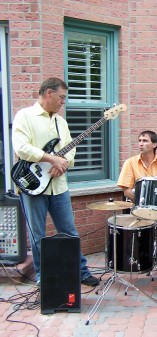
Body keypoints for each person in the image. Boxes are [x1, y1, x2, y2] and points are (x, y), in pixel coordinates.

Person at [11, 77, 99, 287]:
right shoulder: (25, 116)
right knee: (38, 234)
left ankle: (81, 271)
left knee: (69, 231)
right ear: (48, 93)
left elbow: (71, 148)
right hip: (31, 186)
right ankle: (43, 276)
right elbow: (21, 147)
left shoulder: (61, 122)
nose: (63, 102)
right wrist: (51, 159)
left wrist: (64, 164)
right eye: (61, 97)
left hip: (59, 186)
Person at [117, 130, 157, 220]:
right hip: (137, 210)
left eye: (145, 141)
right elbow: (127, 191)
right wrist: (143, 207)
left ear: (154, 145)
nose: (141, 144)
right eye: (140, 140)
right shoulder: (130, 162)